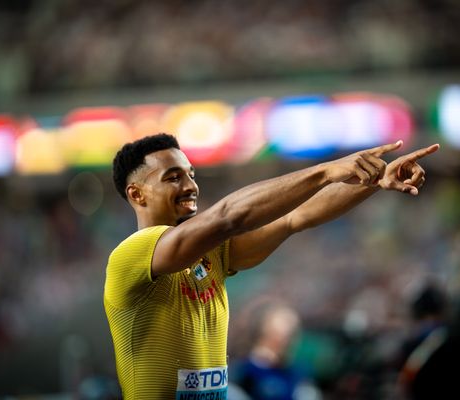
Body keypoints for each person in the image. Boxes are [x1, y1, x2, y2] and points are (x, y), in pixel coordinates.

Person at [103, 133, 439, 399]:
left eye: (191, 175)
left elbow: (296, 216)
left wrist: (374, 181)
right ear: (137, 194)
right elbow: (227, 217)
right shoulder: (130, 256)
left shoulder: (214, 255)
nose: (190, 186)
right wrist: (325, 171)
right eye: (173, 177)